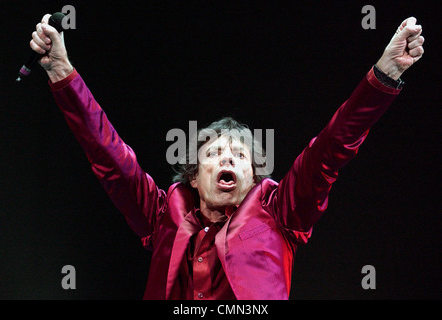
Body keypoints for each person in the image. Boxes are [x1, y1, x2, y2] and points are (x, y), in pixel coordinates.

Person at [30, 14, 424, 299]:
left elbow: (333, 146)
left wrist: (384, 76)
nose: (228, 159)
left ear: (253, 179)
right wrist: (63, 74)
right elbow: (109, 155)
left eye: (239, 155)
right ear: (193, 177)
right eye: (215, 153)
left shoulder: (280, 213)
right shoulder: (162, 213)